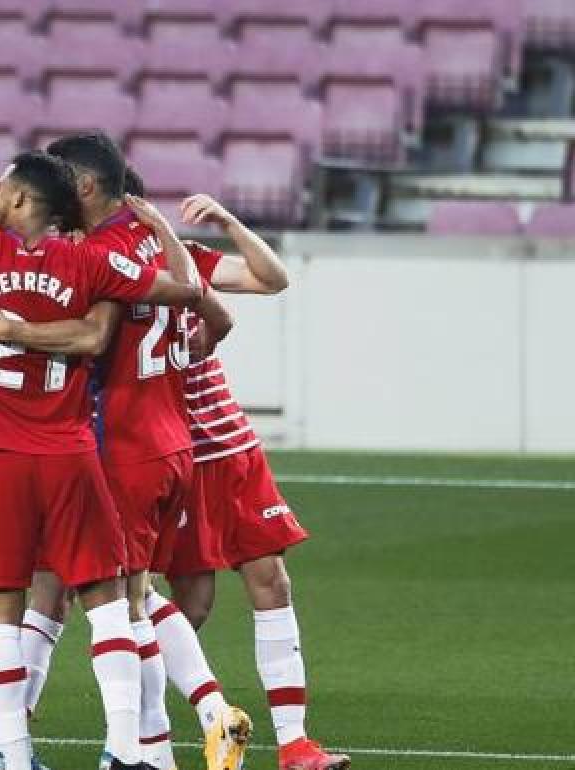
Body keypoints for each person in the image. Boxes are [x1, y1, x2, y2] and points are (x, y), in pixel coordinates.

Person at [0, 47, 205, 770]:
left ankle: (15, 756)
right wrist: (161, 228)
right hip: (71, 455)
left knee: (0, 607)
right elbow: (183, 291)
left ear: (22, 200)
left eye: (1, 185)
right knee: (109, 599)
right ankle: (124, 751)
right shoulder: (89, 262)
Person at [0, 139, 249, 770]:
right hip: (172, 438)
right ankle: (46, 744)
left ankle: (164, 740)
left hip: (115, 445)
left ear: (83, 190)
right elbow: (215, 310)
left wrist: (10, 327)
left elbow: (92, 337)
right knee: (91, 591)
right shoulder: (148, 242)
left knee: (115, 602)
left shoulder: (94, 255)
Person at [162, 196, 351, 770]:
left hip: (234, 448)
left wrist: (229, 225)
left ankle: (294, 744)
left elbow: (272, 279)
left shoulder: (185, 259)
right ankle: (145, 735)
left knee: (272, 582)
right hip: (175, 456)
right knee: (189, 605)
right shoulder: (104, 275)